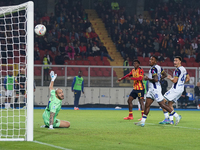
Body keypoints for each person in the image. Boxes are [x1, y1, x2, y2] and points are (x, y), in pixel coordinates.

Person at [134, 56, 182, 127]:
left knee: (162, 104)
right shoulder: (159, 67)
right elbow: (164, 75)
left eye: (152, 59)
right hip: (152, 89)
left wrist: (148, 78)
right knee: (147, 105)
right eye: (150, 59)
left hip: (155, 90)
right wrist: (159, 79)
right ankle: (142, 122)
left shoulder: (153, 69)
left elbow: (155, 79)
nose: (150, 60)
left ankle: (176, 116)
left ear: (155, 61)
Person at [159, 56, 190, 124]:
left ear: (180, 61)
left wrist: (170, 78)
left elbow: (175, 81)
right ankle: (171, 120)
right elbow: (188, 78)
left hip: (175, 89)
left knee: (162, 102)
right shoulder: (184, 69)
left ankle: (170, 117)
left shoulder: (177, 70)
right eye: (174, 61)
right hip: (180, 89)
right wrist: (181, 83)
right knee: (170, 103)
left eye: (176, 61)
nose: (175, 62)